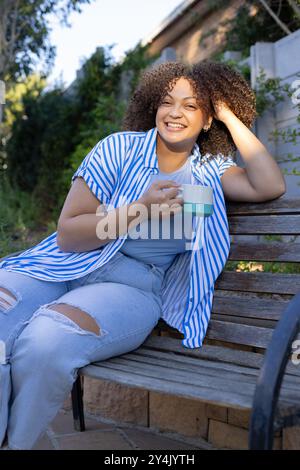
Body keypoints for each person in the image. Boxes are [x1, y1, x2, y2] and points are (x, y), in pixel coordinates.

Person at [0, 60, 286, 450]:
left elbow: (270, 185)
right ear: (153, 105)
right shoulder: (118, 149)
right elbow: (68, 234)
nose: (175, 113)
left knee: (47, 341)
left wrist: (228, 115)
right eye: (167, 101)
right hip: (60, 265)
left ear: (206, 120)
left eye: (191, 105)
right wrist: (139, 209)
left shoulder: (210, 172)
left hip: (129, 287)